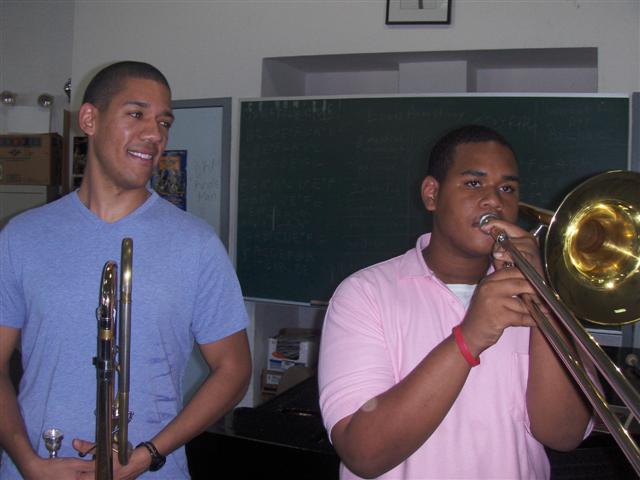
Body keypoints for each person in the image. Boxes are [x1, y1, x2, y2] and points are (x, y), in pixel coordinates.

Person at [0, 61, 252, 479]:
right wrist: (28, 461)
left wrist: (152, 452)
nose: (155, 134)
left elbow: (235, 369)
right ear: (89, 119)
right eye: (136, 114)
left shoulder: (197, 244)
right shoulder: (21, 236)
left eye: (164, 121)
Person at [318, 125, 592, 479]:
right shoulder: (363, 294)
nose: (494, 201)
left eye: (507, 188)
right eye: (474, 183)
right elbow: (363, 454)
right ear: (432, 194)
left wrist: (544, 301)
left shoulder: (547, 299)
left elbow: (564, 434)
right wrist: (470, 336)